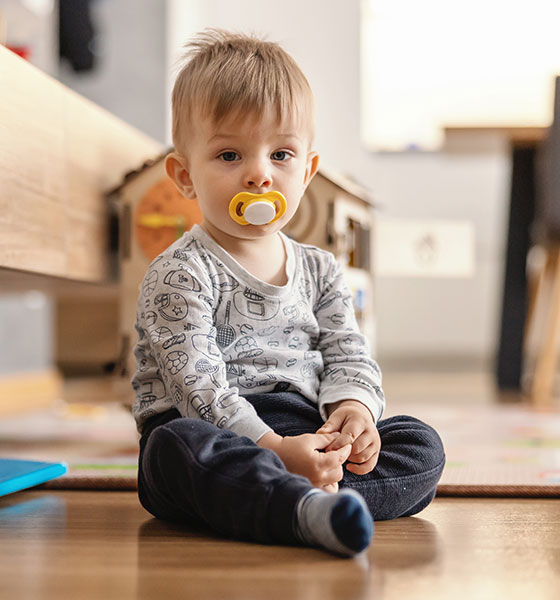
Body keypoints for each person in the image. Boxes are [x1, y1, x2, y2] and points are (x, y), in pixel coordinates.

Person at [132, 29, 445, 557]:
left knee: (421, 445)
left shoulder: (321, 269)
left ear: (307, 170)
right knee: (174, 449)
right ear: (185, 176)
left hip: (305, 427)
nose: (259, 175)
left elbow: (348, 350)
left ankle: (301, 499)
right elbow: (195, 383)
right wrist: (273, 449)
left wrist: (354, 412)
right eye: (230, 155)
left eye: (281, 154)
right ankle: (300, 503)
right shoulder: (181, 271)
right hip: (218, 431)